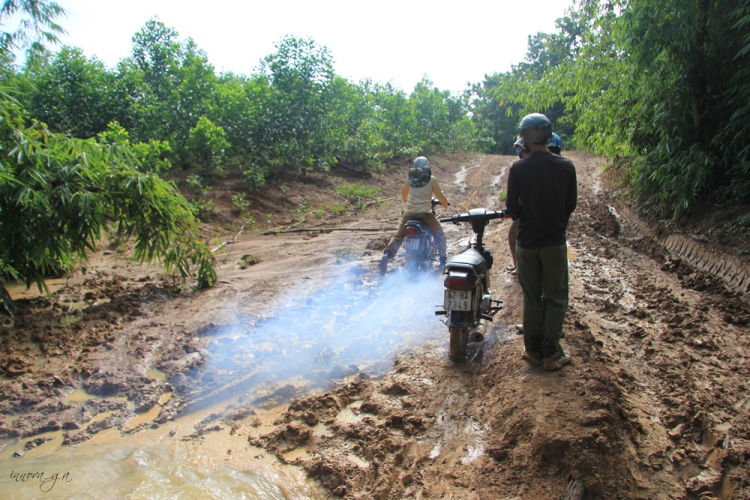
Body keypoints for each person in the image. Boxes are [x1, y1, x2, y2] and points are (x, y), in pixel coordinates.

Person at [506, 113, 577, 371]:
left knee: (532, 298)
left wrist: (528, 216)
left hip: (526, 244)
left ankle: (532, 351)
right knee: (556, 297)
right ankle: (552, 353)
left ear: (525, 138)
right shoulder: (566, 166)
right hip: (555, 243)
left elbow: (512, 207)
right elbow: (571, 205)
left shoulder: (518, 168)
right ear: (547, 135)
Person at [379, 157, 449, 274]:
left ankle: (387, 254)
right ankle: (442, 260)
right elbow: (439, 195)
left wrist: (408, 202)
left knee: (399, 236)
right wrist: (445, 203)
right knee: (439, 234)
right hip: (425, 213)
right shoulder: (431, 179)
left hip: (409, 213)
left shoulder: (410, 179)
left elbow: (403, 193)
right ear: (427, 166)